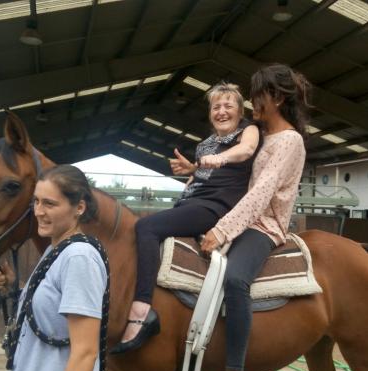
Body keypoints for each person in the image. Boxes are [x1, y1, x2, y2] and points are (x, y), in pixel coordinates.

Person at [110, 82, 262, 354]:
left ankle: (142, 309)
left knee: (146, 226)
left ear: (240, 112)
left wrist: (221, 159)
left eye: (228, 106)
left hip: (218, 205)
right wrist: (191, 170)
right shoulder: (205, 145)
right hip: (194, 201)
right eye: (216, 107)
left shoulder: (247, 131)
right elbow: (201, 178)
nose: (221, 111)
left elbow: (246, 151)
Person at [200, 64, 312, 371]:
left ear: (276, 98)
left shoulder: (290, 141)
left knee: (235, 279)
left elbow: (263, 192)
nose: (251, 103)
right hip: (241, 217)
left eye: (257, 96)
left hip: (264, 226)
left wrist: (223, 230)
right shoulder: (260, 134)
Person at [0, 165, 108, 371]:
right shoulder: (57, 249)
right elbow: (53, 304)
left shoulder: (78, 257)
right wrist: (13, 285)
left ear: (79, 207)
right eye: (36, 201)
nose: (39, 211)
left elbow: (85, 352)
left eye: (50, 204)